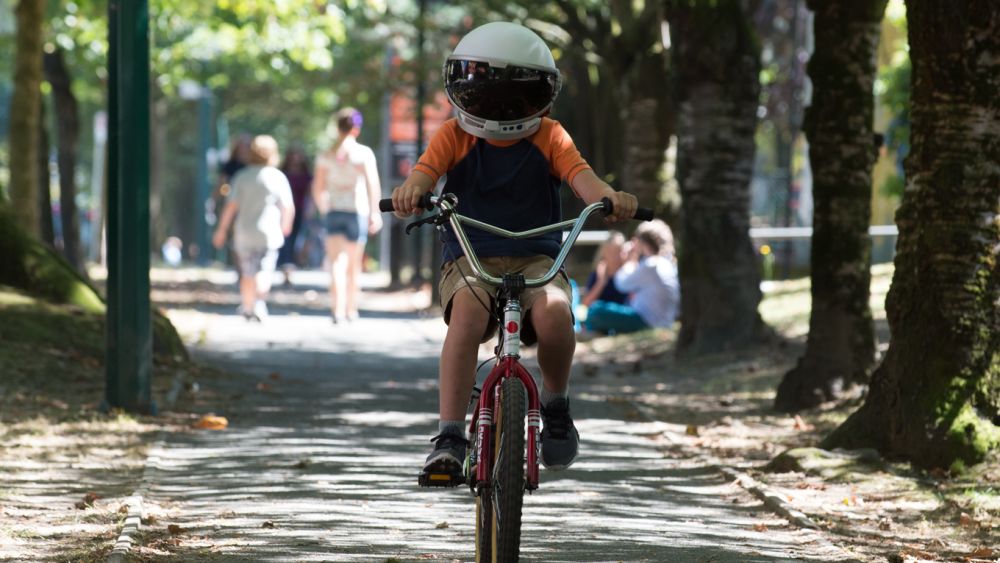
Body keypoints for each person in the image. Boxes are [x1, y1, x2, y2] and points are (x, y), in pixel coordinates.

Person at [389, 21, 638, 481]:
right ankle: (449, 436)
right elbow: (423, 175)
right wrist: (411, 191)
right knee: (466, 314)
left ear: (540, 96)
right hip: (471, 258)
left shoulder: (550, 136)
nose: (501, 109)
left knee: (556, 313)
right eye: (487, 95)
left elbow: (584, 179)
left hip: (539, 260)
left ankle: (556, 405)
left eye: (515, 97)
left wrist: (609, 197)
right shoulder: (453, 136)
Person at [311, 108, 383, 323]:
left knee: (335, 263)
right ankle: (351, 309)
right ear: (356, 128)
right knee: (353, 265)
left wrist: (324, 207)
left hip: (333, 211)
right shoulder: (363, 154)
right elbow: (372, 184)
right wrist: (374, 213)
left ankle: (336, 309)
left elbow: (317, 188)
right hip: (356, 212)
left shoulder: (326, 155)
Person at [212, 135, 295, 322]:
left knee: (247, 272)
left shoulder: (242, 176)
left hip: (244, 232)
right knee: (264, 270)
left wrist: (222, 230)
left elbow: (230, 206)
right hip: (269, 232)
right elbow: (288, 206)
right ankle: (258, 303)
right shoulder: (277, 177)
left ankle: (247, 305)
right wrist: (286, 225)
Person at [585, 219, 680, 335]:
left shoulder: (652, 264)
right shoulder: (665, 263)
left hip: (648, 321)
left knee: (595, 311)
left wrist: (630, 260)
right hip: (662, 320)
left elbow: (621, 284)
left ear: (643, 243)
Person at [277, 146, 313, 286]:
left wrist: (309, 209)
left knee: (297, 240)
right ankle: (286, 267)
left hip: (300, 212)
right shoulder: (282, 173)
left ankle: (292, 266)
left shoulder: (306, 174)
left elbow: (310, 194)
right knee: (285, 240)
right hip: (283, 212)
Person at [580, 231, 629, 310]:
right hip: (601, 317)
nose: (614, 257)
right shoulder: (597, 274)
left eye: (618, 251)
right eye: (611, 252)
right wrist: (601, 282)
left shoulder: (629, 273)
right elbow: (585, 304)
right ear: (604, 253)